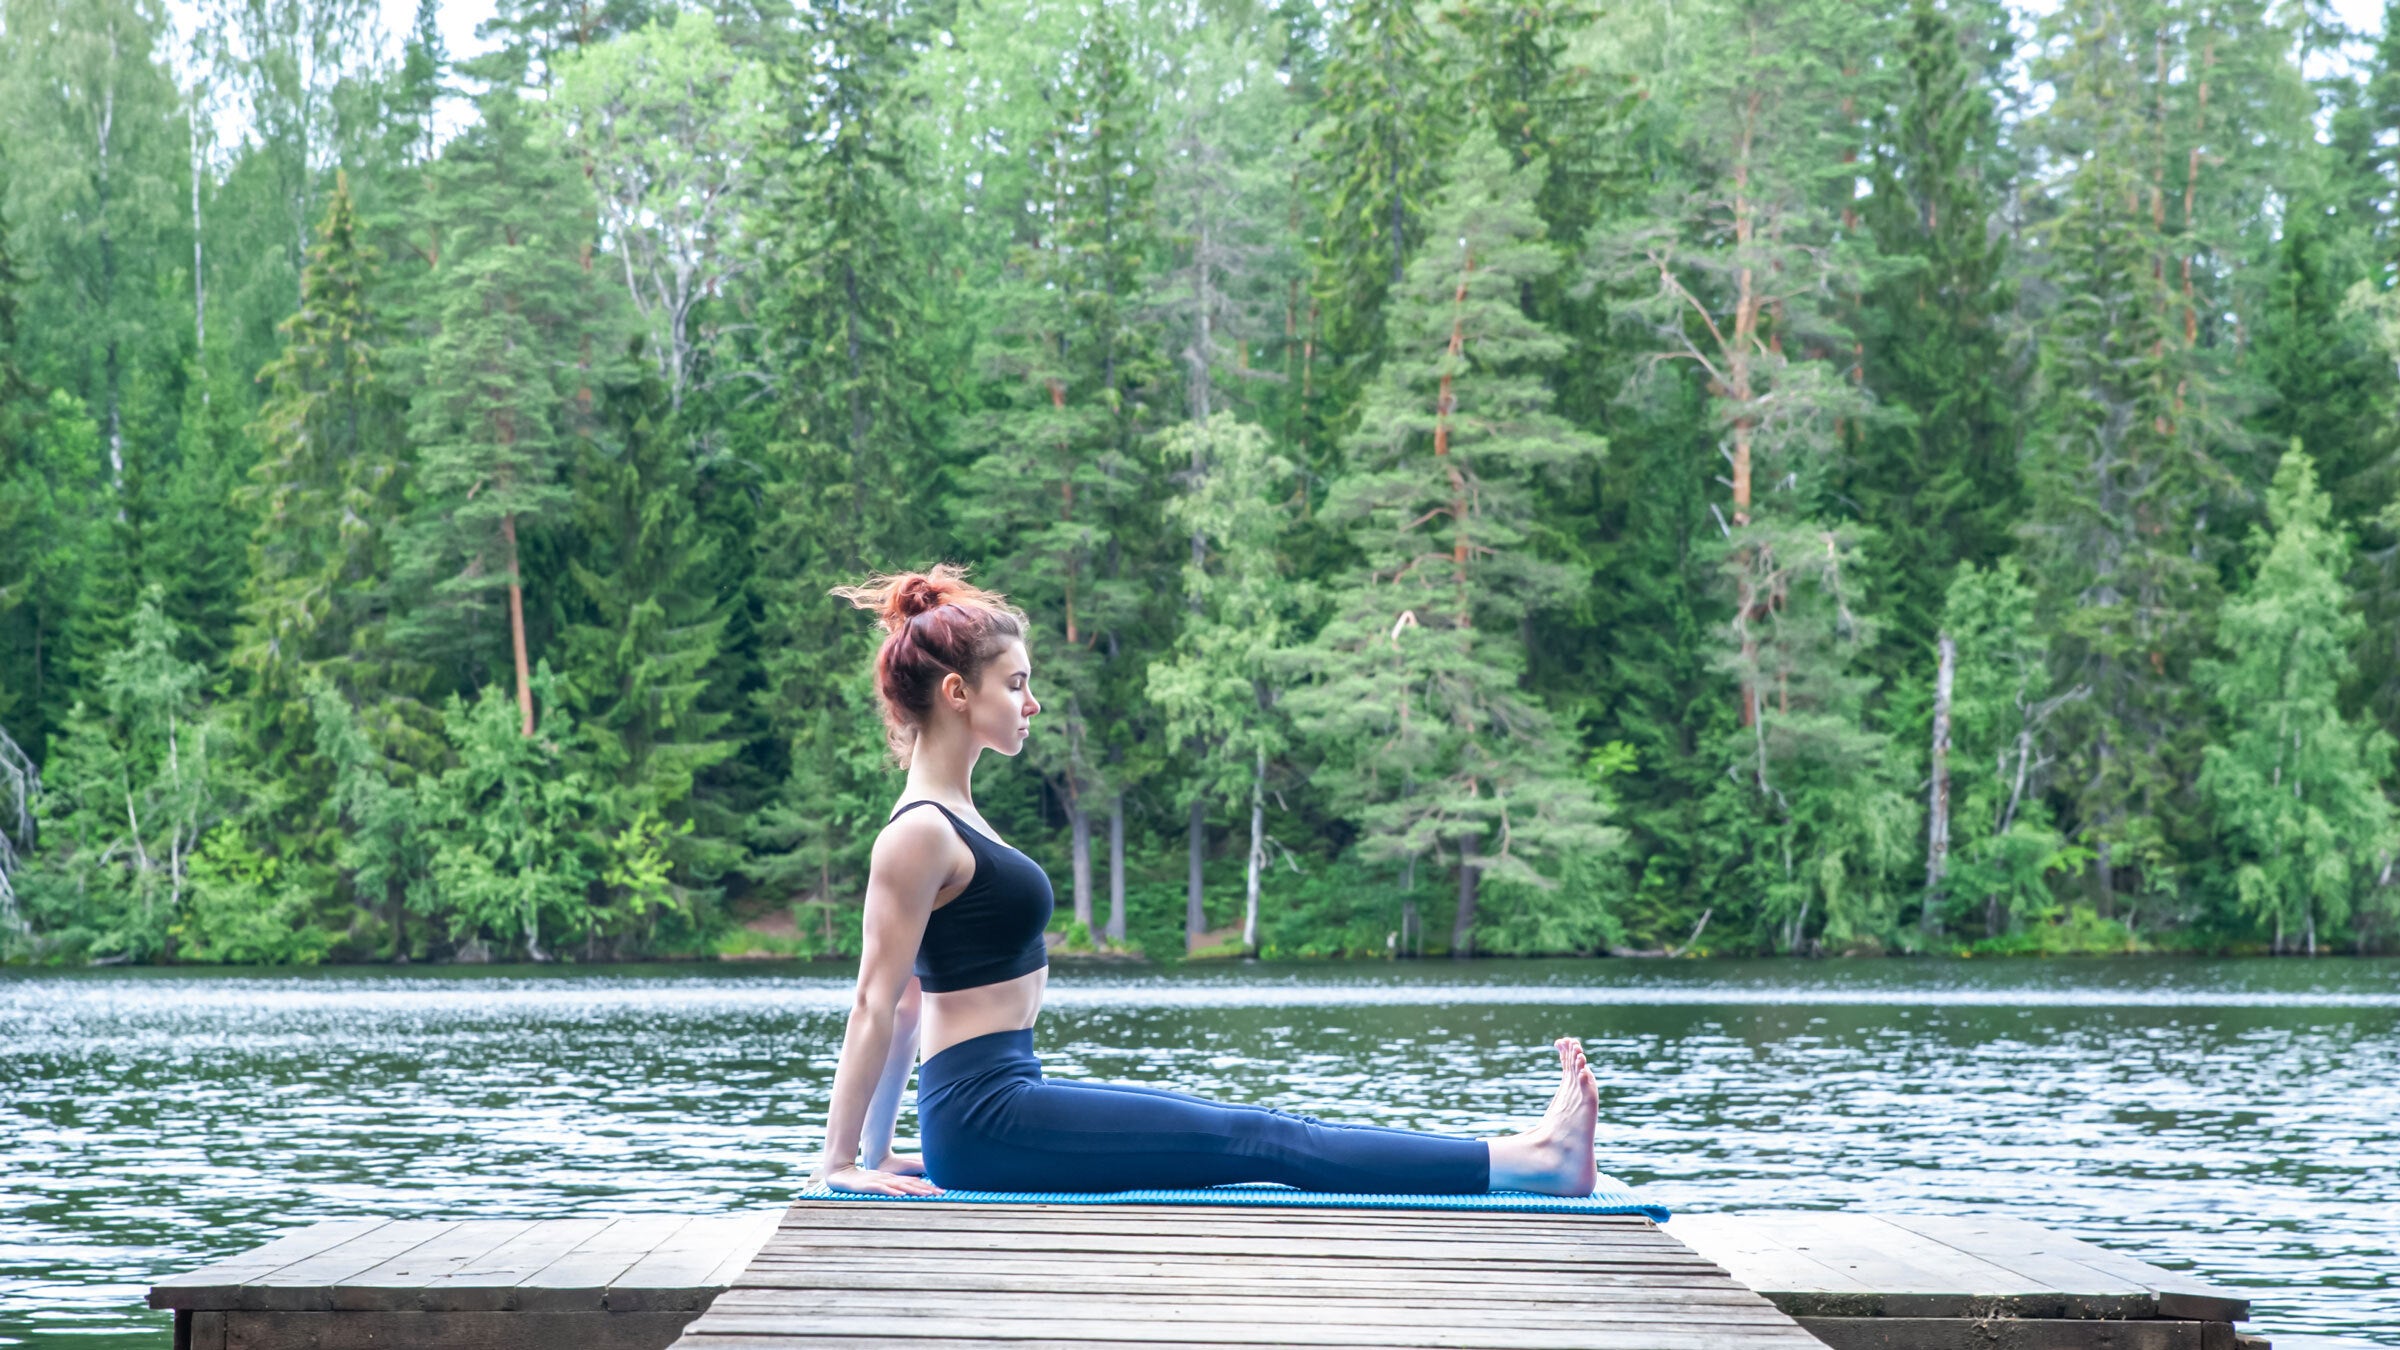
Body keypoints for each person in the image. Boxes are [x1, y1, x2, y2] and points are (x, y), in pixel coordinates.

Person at [809, 564, 1602, 1198]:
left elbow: (912, 1005)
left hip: (992, 1109)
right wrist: (844, 1163)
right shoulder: (918, 832)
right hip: (987, 1116)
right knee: (1260, 1137)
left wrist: (883, 1156)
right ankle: (1527, 1162)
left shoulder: (957, 815)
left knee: (1259, 1127)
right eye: (1016, 683)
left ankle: (1526, 1157)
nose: (1033, 702)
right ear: (958, 692)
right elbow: (878, 1003)